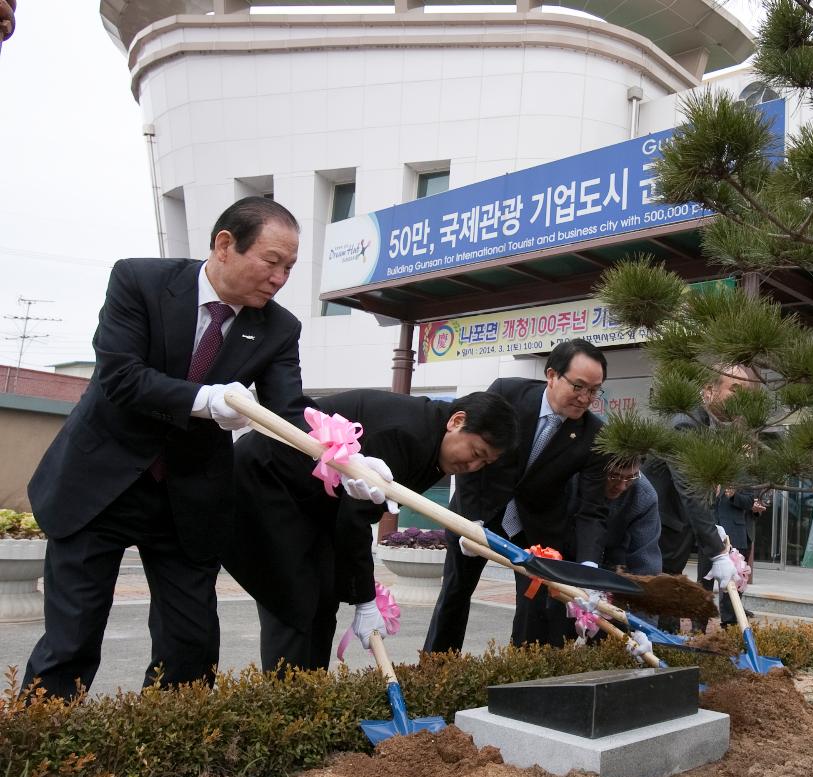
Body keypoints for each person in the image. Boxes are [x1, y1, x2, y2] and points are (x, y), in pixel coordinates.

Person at [23, 197, 309, 699]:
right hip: (100, 485)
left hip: (190, 498)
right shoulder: (140, 281)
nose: (280, 277)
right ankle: (36, 762)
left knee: (190, 643)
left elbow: (289, 412)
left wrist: (341, 453)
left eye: (289, 267)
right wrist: (204, 399)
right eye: (271, 262)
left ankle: (173, 760)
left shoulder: (279, 328)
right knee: (72, 638)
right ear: (225, 245)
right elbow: (120, 376)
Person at [227, 390, 518, 672]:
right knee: (294, 600)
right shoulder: (407, 435)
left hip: (313, 504)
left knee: (324, 597)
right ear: (456, 421)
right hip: (265, 481)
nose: (473, 466)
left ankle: (308, 696)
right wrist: (365, 600)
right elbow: (354, 519)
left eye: (485, 463)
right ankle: (285, 705)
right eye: (476, 453)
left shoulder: (435, 443)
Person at [424, 339, 611, 651]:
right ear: (552, 375)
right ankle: (435, 667)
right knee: (456, 592)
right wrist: (471, 523)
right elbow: (472, 461)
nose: (584, 398)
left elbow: (593, 509)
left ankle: (523, 675)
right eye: (578, 386)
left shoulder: (594, 434)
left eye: (594, 390)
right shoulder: (507, 393)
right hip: (480, 511)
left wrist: (589, 566)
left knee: (536, 607)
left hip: (537, 526)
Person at [644, 364, 757, 628]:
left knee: (666, 610)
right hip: (657, 536)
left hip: (674, 537)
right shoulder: (685, 425)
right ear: (708, 391)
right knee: (654, 612)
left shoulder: (707, 425)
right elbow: (691, 491)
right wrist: (718, 553)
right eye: (735, 389)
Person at [570, 455, 661, 576]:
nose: (621, 486)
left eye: (631, 477)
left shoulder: (645, 496)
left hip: (611, 564)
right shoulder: (573, 479)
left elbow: (646, 560)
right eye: (614, 476)